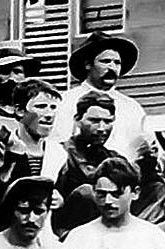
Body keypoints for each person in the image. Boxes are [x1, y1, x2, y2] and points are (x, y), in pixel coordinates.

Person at [47, 91, 161, 232]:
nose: (101, 128)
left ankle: (135, 232)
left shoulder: (113, 156)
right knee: (88, 192)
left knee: (157, 188)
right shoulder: (60, 153)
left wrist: (148, 160)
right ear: (77, 120)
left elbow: (138, 181)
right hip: (71, 227)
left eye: (107, 122)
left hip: (111, 218)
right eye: (94, 121)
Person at [47, 31, 148, 164]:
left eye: (117, 63)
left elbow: (141, 148)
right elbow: (56, 144)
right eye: (105, 61)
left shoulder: (132, 107)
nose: (112, 67)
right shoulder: (65, 102)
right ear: (88, 64)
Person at [0, 83, 57, 232]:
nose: (49, 114)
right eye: (41, 106)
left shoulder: (59, 153)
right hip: (2, 232)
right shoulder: (0, 147)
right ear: (20, 111)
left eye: (53, 107)